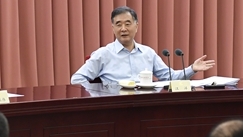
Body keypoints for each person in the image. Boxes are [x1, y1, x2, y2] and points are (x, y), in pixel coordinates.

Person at [71, 6, 215, 85]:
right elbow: (77, 79)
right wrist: (100, 92)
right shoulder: (104, 54)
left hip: (146, 106)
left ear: (136, 26)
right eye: (118, 24)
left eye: (128, 24)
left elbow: (169, 77)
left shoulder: (147, 53)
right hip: (116, 107)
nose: (123, 29)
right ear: (113, 28)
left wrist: (192, 69)